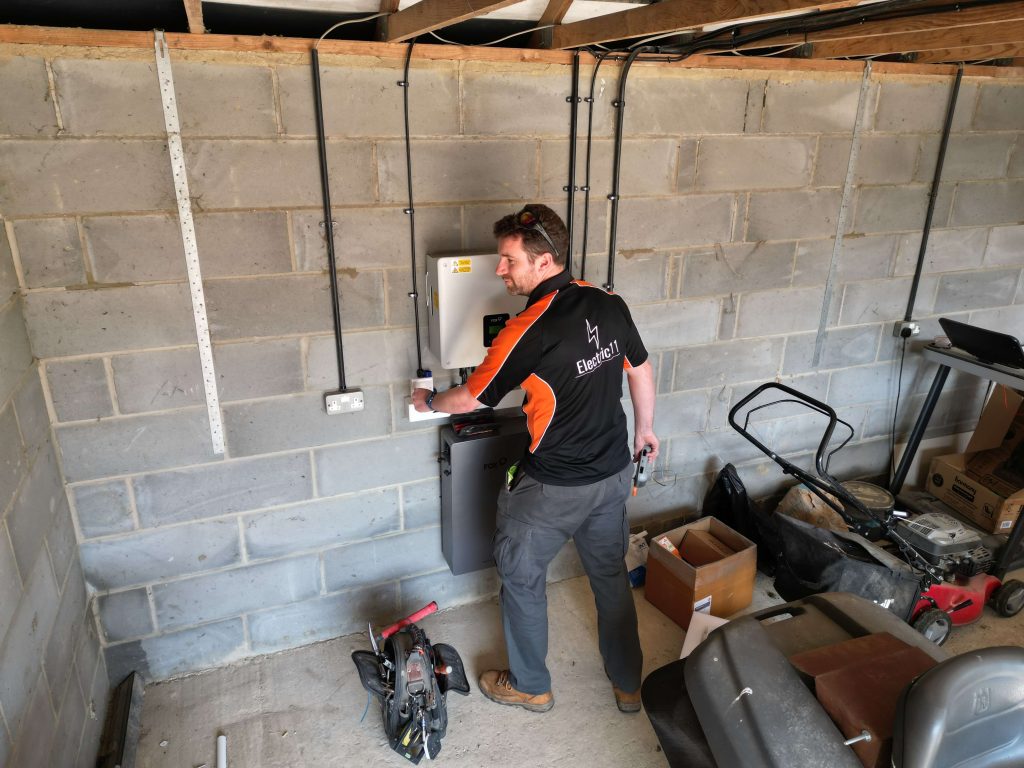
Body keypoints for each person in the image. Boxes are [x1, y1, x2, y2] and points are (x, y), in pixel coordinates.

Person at [412, 203, 658, 715]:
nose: (500, 270)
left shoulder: (527, 329)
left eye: (509, 261)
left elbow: (472, 399)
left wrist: (429, 401)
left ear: (544, 262)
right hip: (613, 473)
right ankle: (629, 685)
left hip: (550, 489)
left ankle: (531, 686)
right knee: (610, 577)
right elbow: (639, 369)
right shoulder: (608, 302)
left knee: (522, 580)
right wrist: (646, 431)